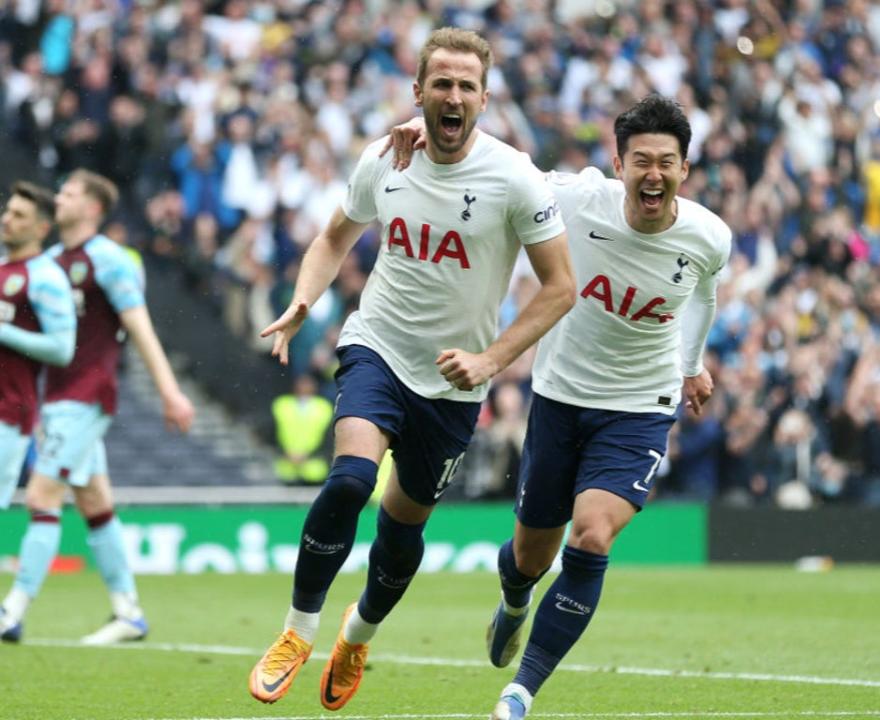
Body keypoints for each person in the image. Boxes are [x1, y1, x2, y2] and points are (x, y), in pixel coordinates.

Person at [247, 27, 575, 712]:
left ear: (483, 98)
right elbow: (334, 236)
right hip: (378, 345)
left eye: (466, 86)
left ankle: (356, 636)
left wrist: (490, 359)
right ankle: (295, 632)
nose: (453, 96)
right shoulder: (385, 157)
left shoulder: (515, 176)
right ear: (419, 91)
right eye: (441, 84)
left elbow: (560, 286)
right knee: (351, 480)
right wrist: (304, 298)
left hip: (456, 385)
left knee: (401, 533)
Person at [385, 93, 731, 719]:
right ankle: (515, 601)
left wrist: (690, 365)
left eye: (667, 162)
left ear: (685, 168)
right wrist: (434, 131)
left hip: (639, 407)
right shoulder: (575, 199)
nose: (653, 175)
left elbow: (702, 297)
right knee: (528, 558)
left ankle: (520, 692)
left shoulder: (709, 236)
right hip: (560, 398)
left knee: (593, 535)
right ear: (619, 163)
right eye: (641, 161)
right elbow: (499, 166)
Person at [0, 170, 195, 645]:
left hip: (88, 392)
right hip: (56, 394)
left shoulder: (109, 260)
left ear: (91, 208)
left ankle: (12, 612)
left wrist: (168, 390)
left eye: (68, 193)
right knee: (94, 503)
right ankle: (128, 612)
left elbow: (139, 325)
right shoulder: (47, 261)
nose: (59, 198)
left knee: (43, 497)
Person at [0, 182, 76, 523]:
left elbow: (62, 349)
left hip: (8, 411)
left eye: (19, 215)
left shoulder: (46, 277)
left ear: (42, 228)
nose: (6, 219)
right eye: (7, 211)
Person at [271, 374, 334, 485]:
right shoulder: (282, 404)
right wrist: (284, 452)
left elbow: (329, 437)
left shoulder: (324, 406)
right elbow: (272, 431)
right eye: (301, 383)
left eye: (308, 384)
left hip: (315, 468)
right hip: (287, 467)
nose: (304, 387)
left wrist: (309, 455)